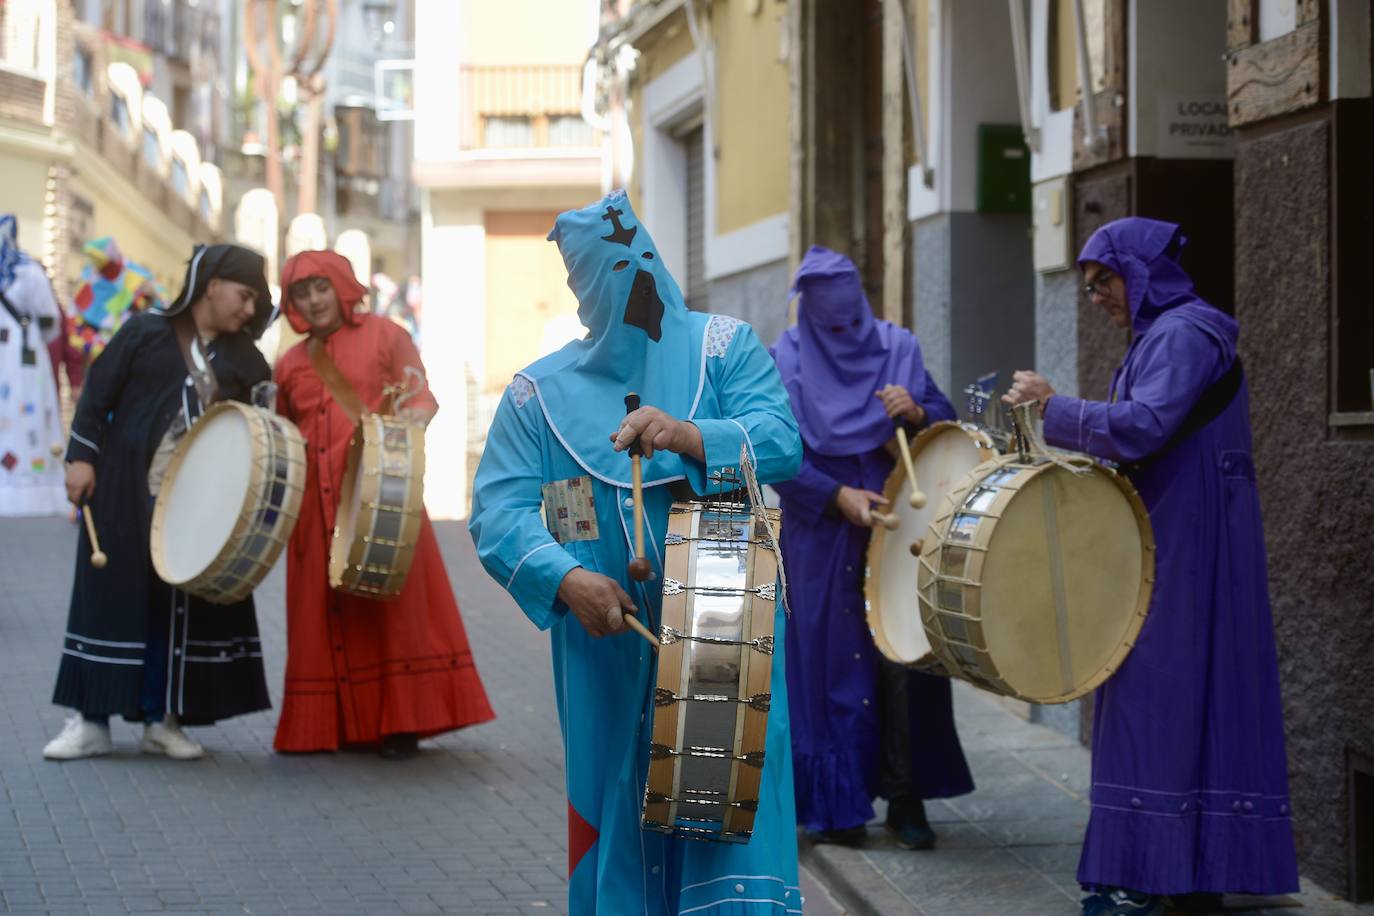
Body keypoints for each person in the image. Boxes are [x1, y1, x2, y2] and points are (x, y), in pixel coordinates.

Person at [469, 191, 804, 914]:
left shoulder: (725, 349)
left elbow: (781, 441)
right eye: (602, 277)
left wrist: (688, 435)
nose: (630, 291)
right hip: (606, 644)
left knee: (726, 801)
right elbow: (498, 512)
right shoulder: (538, 395)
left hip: (723, 628)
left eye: (637, 270)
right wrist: (567, 578)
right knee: (612, 793)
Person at [1002, 218, 1298, 915]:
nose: (1097, 297)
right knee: (1178, 693)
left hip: (1190, 536)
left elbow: (1146, 424)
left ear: (1138, 272)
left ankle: (1147, 876)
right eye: (1090, 286)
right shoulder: (1167, 335)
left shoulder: (1185, 334)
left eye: (1102, 281)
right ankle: (1180, 872)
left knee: (1156, 693)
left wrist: (1054, 408)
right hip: (1179, 528)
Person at [770, 246, 973, 850]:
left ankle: (907, 799)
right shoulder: (785, 362)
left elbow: (946, 425)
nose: (846, 336)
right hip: (822, 533)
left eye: (851, 320)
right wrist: (834, 496)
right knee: (831, 666)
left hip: (900, 532)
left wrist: (915, 410)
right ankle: (838, 807)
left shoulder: (898, 350)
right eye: (831, 324)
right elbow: (774, 452)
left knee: (907, 658)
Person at [44, 243, 277, 761]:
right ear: (211, 285)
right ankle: (90, 723)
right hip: (122, 493)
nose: (248, 310)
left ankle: (162, 719)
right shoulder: (144, 332)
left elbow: (265, 427)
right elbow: (97, 396)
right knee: (106, 602)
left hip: (197, 509)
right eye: (243, 296)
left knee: (177, 611)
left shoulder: (245, 358)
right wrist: (80, 460)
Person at [272, 250, 494, 759]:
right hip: (314, 506)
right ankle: (332, 724)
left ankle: (401, 724)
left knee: (391, 612)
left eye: (320, 287)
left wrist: (400, 436)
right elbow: (284, 433)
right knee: (328, 613)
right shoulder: (289, 363)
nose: (313, 300)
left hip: (380, 499)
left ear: (342, 284)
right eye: (301, 293)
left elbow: (420, 398)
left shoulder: (387, 335)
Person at [0, 215, 68, 517]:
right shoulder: (28, 273)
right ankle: (31, 486)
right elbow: (50, 321)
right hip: (23, 354)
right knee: (26, 412)